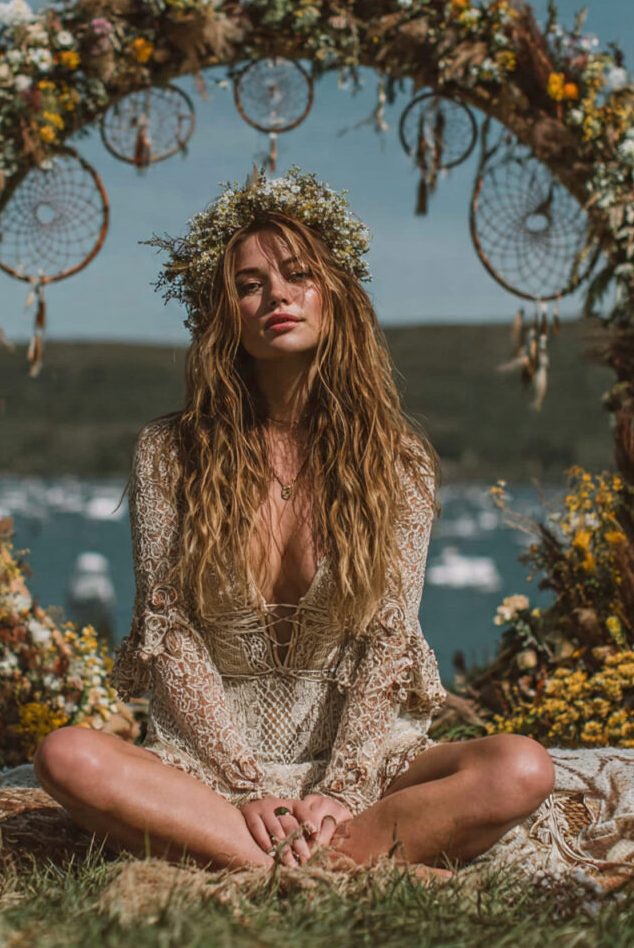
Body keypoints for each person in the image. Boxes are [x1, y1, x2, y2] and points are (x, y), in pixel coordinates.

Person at [34, 166, 555, 873]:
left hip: (363, 770)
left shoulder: (397, 461)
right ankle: (323, 866)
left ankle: (283, 857)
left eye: (296, 274)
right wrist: (244, 787)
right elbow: (172, 636)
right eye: (249, 284)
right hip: (210, 772)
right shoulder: (169, 453)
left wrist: (341, 788)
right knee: (67, 754)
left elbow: (388, 640)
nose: (275, 294)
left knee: (520, 768)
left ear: (334, 295)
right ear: (226, 311)